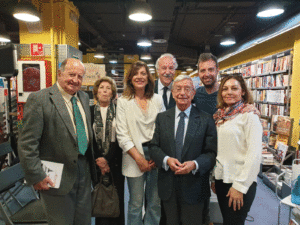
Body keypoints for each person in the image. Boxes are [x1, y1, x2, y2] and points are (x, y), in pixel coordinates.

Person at [18, 58, 97, 225]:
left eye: (80, 76)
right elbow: (27, 144)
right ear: (59, 74)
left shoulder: (83, 97)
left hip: (84, 170)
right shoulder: (40, 99)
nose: (76, 80)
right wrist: (36, 176)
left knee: (83, 221)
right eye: (71, 74)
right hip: (56, 176)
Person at [149, 75, 217, 225]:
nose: (182, 93)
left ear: (193, 93)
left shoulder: (206, 119)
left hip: (195, 187)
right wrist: (166, 160)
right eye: (178, 89)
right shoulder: (162, 118)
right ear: (172, 93)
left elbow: (211, 153)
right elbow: (153, 147)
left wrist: (195, 164)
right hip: (168, 187)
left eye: (187, 89)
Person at [116, 61, 164, 225]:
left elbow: (163, 129)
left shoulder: (157, 99)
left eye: (143, 73)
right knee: (136, 203)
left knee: (155, 202)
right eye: (136, 74)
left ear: (148, 78)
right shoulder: (123, 101)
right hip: (133, 154)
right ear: (130, 78)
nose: (140, 77)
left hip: (155, 153)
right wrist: (139, 159)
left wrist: (158, 155)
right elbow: (122, 134)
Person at [212, 74, 262, 225]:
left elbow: (254, 155)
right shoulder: (221, 117)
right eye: (225, 89)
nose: (229, 92)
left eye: (234, 88)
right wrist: (215, 177)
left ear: (243, 92)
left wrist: (240, 187)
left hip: (239, 182)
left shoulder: (249, 117)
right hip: (222, 180)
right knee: (227, 221)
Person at [91, 77, 125, 225]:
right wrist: (99, 159)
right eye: (101, 88)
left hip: (115, 163)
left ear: (112, 93)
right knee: (100, 200)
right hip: (96, 164)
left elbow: (120, 138)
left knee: (117, 200)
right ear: (96, 92)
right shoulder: (89, 111)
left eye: (108, 88)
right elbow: (89, 138)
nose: (104, 91)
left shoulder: (119, 111)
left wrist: (108, 160)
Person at [193, 53, 220, 225]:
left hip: (224, 152)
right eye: (203, 70)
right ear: (198, 73)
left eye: (211, 69)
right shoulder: (197, 94)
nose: (207, 74)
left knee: (224, 194)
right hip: (203, 152)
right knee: (201, 193)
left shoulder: (227, 92)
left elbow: (243, 104)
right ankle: (206, 220)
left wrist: (250, 107)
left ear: (217, 70)